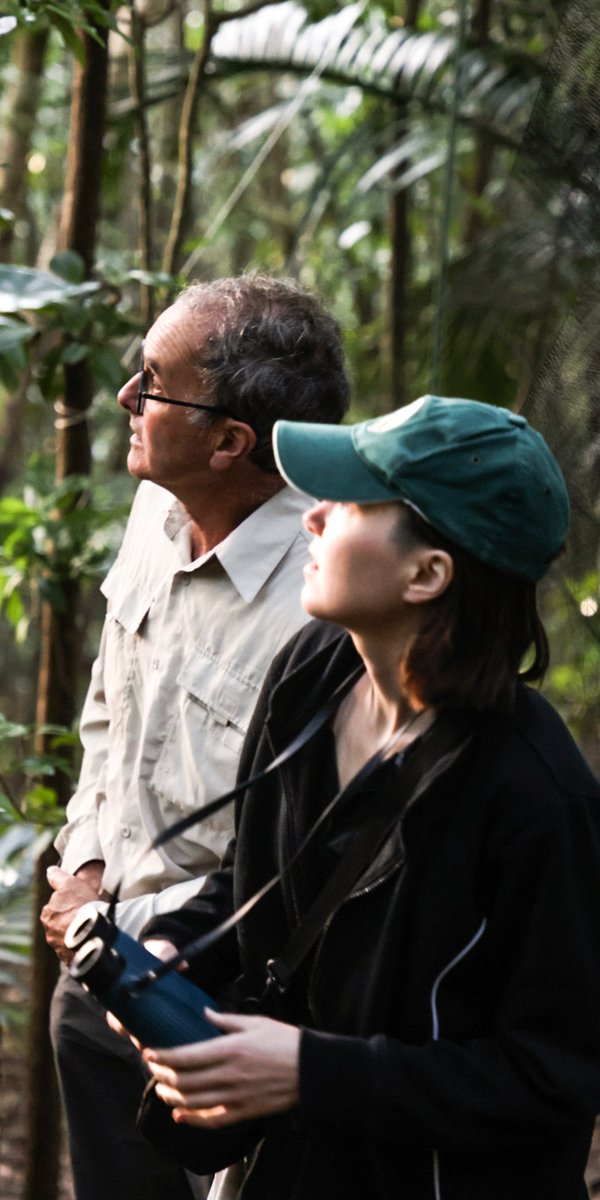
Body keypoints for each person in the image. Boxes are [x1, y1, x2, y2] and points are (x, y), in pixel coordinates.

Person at [134, 395, 600, 1200]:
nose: (313, 518)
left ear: (428, 573)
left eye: (350, 502)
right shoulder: (314, 669)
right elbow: (260, 876)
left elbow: (553, 1078)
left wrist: (315, 1073)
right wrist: (177, 953)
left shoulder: (535, 795)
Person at [40, 273, 350, 1200]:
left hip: (217, 1002)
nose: (128, 398)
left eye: (153, 380)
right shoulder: (154, 509)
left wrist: (173, 957)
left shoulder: (328, 598)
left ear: (230, 442)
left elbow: (308, 850)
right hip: (96, 962)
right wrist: (86, 869)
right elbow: (109, 707)